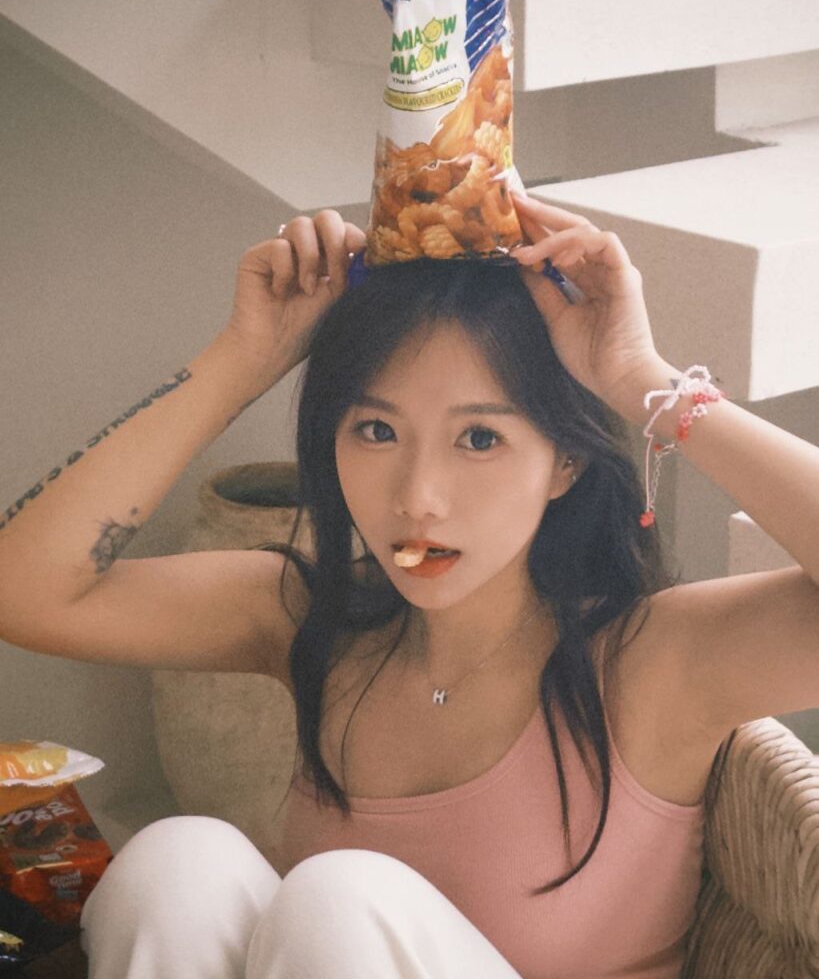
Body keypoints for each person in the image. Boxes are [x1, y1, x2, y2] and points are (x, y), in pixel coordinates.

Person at [0, 193, 816, 979]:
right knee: (182, 862)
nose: (417, 497)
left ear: (564, 462)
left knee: (341, 899)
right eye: (376, 429)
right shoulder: (313, 620)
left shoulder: (652, 661)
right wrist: (243, 359)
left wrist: (642, 378)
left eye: (479, 438)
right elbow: (26, 592)